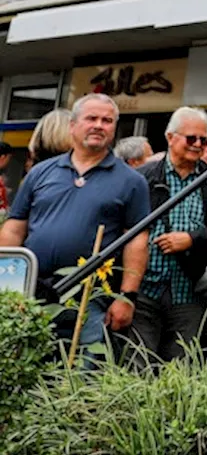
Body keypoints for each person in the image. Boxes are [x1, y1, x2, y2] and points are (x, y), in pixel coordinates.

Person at [0, 94, 150, 351]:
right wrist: (5, 284)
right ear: (73, 126)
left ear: (114, 128)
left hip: (91, 298)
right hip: (32, 292)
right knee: (28, 367)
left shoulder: (131, 181)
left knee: (82, 374)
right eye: (91, 118)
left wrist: (126, 297)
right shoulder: (40, 173)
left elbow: (137, 240)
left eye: (107, 120)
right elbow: (14, 228)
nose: (99, 125)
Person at [129, 106, 207, 362]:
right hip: (145, 290)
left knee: (179, 373)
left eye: (204, 140)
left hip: (190, 290)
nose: (198, 145)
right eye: (191, 138)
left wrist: (192, 239)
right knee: (137, 365)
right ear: (170, 137)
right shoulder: (142, 178)